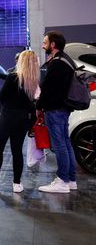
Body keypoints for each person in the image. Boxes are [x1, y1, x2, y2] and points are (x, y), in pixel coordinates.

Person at [0, 51, 40, 193]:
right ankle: (17, 183)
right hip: (22, 121)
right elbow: (32, 104)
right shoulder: (33, 81)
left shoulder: (13, 78)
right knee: (17, 151)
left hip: (7, 118)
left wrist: (9, 106)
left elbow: (2, 97)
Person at [36, 31, 77, 193]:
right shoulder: (66, 60)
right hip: (63, 108)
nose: (43, 45)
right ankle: (71, 179)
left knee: (59, 144)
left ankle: (63, 181)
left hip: (55, 110)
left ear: (53, 44)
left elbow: (47, 89)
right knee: (65, 143)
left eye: (45, 42)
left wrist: (39, 107)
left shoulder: (58, 62)